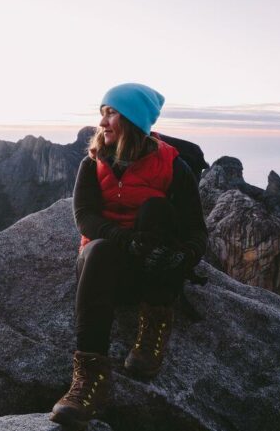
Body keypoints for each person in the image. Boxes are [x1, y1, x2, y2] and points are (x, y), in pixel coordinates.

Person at [49, 83, 208, 429]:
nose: (102, 122)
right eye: (102, 113)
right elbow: (85, 216)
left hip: (154, 270)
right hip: (104, 271)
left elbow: (196, 231)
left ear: (134, 120)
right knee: (100, 249)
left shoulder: (172, 167)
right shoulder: (92, 164)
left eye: (111, 113)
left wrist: (185, 256)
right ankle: (89, 379)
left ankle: (155, 320)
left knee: (156, 210)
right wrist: (122, 238)